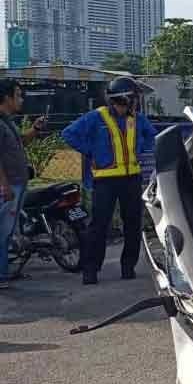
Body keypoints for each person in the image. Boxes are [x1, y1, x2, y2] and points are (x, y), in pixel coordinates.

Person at [62, 77, 156, 285]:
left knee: (132, 224)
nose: (136, 101)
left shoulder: (138, 119)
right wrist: (92, 152)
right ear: (123, 98)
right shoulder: (96, 117)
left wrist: (139, 148)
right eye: (133, 97)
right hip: (105, 181)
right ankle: (91, 269)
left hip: (131, 179)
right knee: (99, 226)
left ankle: (128, 266)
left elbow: (152, 136)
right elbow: (68, 134)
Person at [0, 81, 47, 289]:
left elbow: (21, 141)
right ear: (7, 98)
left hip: (17, 184)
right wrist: (5, 186)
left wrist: (35, 129)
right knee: (2, 232)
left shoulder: (7, 122)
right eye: (18, 95)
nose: (21, 99)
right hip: (8, 186)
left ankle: (4, 272)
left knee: (8, 231)